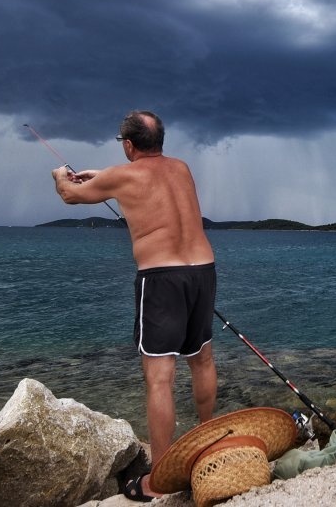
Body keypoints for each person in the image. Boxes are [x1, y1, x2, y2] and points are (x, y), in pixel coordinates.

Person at [52, 110, 217, 501]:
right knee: (202, 359)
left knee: (159, 378)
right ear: (159, 140)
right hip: (202, 269)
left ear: (128, 145)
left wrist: (61, 173)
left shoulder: (121, 174)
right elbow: (145, 180)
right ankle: (209, 440)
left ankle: (159, 478)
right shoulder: (181, 167)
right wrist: (103, 174)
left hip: (161, 278)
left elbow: (70, 195)